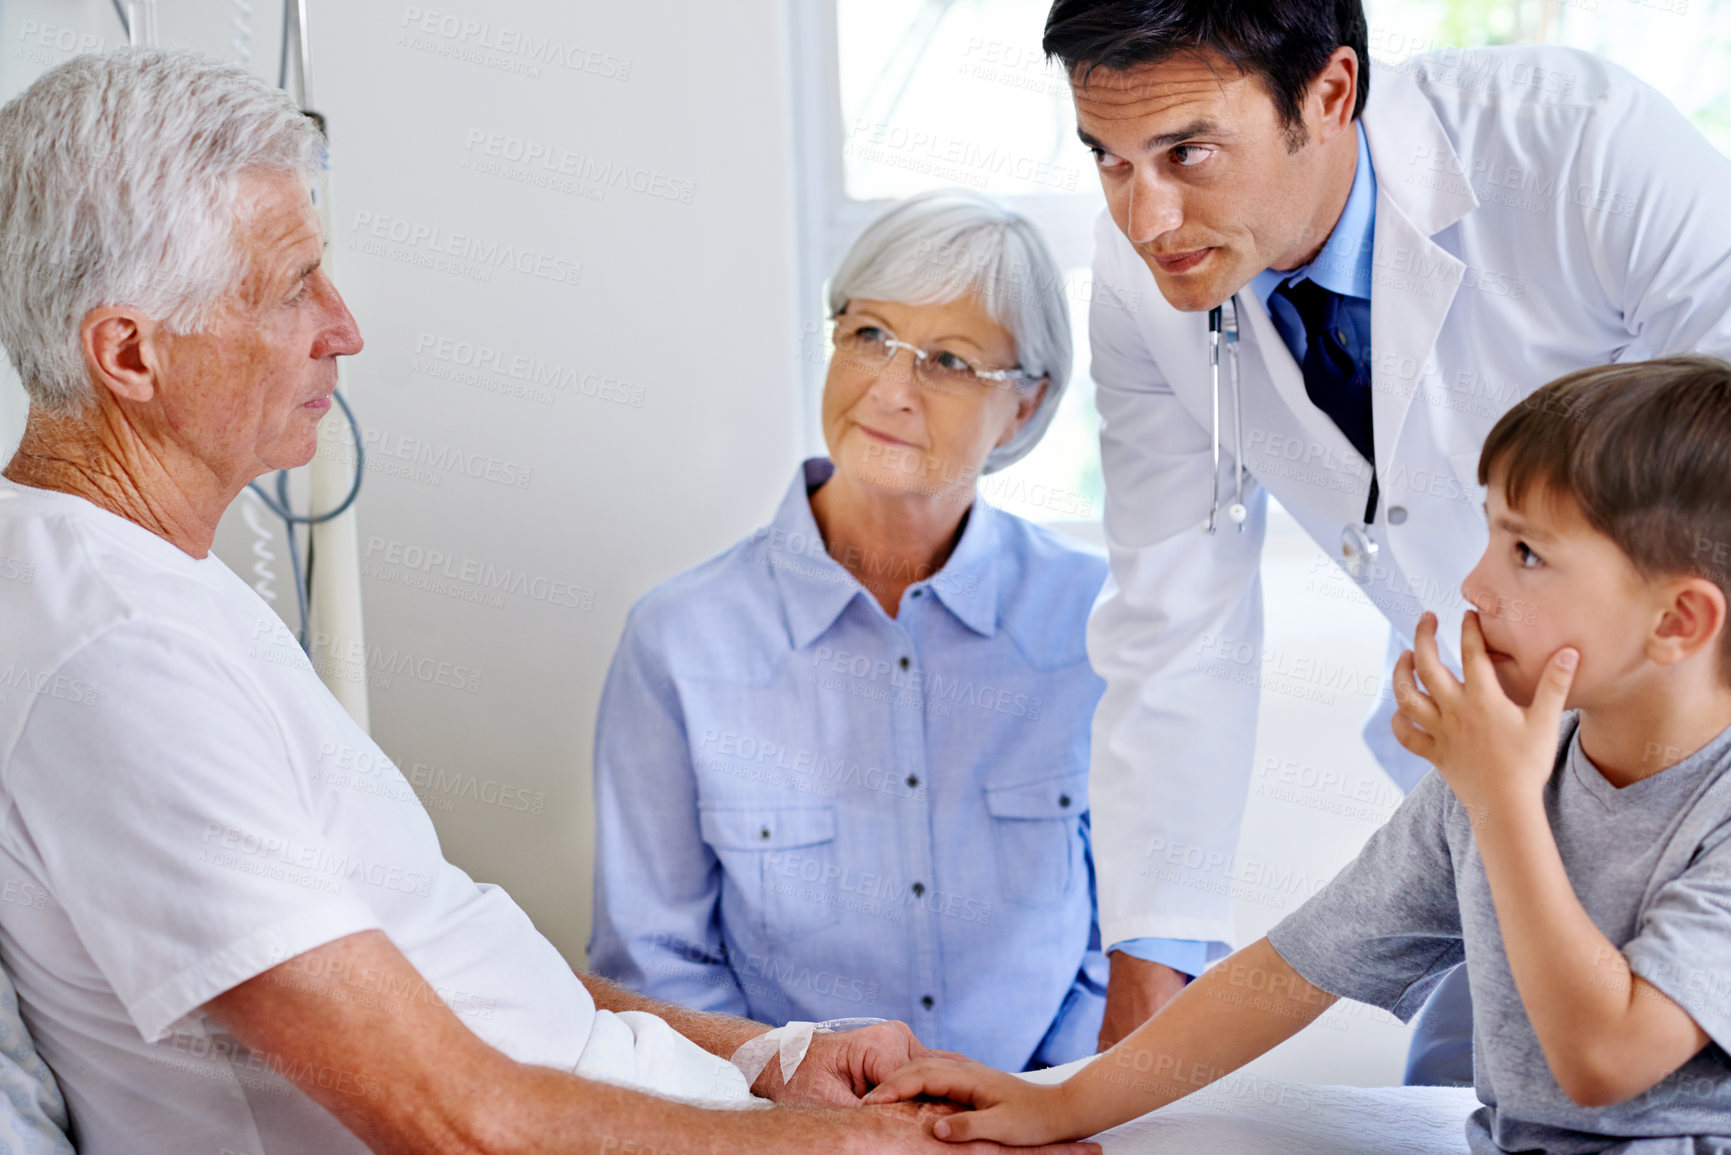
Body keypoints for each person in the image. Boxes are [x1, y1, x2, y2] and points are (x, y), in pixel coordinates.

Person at [0, 50, 1100, 1155]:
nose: (345, 327)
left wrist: (765, 1059)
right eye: (295, 285)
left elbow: (468, 993)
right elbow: (458, 1120)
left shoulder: (161, 592)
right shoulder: (123, 663)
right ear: (130, 355)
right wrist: (865, 1149)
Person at [1043, 0, 1731, 1079]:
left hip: (1681, 782)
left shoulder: (1579, 148)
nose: (1145, 218)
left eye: (1187, 151)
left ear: (1330, 93)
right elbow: (1174, 619)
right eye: (1108, 160)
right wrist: (1139, 990)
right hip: (1487, 789)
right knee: (1453, 1082)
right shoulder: (1145, 280)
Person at [866, 355, 1731, 1153]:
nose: (1473, 584)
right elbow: (1293, 969)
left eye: (1528, 553)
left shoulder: (1591, 793)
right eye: (1491, 535)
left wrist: (1502, 800)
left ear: (1677, 621)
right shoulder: (1498, 774)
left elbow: (1604, 1061)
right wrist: (1061, 1103)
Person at [589, 189, 1110, 1072]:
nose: (890, 389)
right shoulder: (680, 641)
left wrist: (1046, 1106)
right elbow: (656, 964)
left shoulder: (1096, 624)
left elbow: (1132, 940)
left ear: (1024, 406)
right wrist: (801, 1107)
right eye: (869, 335)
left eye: (947, 360)